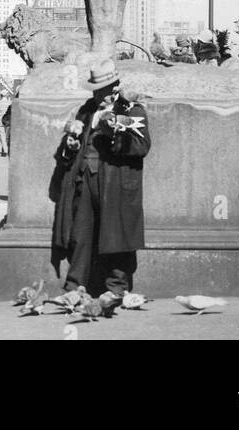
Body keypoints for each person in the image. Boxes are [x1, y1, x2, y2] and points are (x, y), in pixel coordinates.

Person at [50, 61, 151, 302]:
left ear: (116, 87)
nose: (100, 95)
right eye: (96, 90)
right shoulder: (87, 109)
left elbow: (142, 146)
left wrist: (114, 135)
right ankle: (74, 287)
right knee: (80, 234)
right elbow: (72, 145)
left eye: (104, 90)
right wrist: (69, 146)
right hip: (84, 180)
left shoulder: (131, 110)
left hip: (114, 182)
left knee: (115, 234)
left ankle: (116, 289)